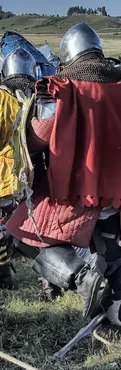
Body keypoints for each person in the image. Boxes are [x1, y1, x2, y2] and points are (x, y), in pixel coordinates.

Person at [6, 23, 121, 328]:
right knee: (119, 258)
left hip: (76, 189)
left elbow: (38, 137)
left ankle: (82, 279)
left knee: (24, 235)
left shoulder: (61, 87)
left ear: (68, 55)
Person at [0, 48, 37, 289]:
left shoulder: (13, 100)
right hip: (15, 175)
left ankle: (5, 275)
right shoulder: (19, 100)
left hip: (9, 176)